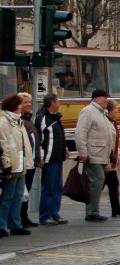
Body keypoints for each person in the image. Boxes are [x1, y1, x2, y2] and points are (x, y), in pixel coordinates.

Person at [75, 89, 116, 222]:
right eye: (105, 98)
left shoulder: (101, 113)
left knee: (98, 181)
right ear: (97, 99)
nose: (107, 100)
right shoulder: (88, 111)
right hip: (92, 154)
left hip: (101, 154)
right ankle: (92, 212)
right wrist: (82, 151)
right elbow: (81, 132)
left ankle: (93, 210)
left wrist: (111, 154)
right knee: (98, 180)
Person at [0, 94, 34, 237]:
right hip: (12, 164)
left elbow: (25, 145)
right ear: (15, 106)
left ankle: (15, 224)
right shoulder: (4, 122)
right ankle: (2, 225)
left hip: (21, 163)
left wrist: (28, 163)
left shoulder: (18, 122)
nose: (24, 106)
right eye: (22, 103)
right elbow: (4, 144)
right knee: (7, 196)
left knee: (18, 196)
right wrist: (6, 164)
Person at [35, 93, 69, 225]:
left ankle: (55, 213)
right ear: (52, 103)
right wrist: (40, 157)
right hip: (48, 158)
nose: (59, 103)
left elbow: (59, 136)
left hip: (57, 157)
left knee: (57, 187)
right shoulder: (42, 118)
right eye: (58, 101)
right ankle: (45, 215)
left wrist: (64, 149)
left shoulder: (55, 117)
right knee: (48, 188)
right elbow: (40, 139)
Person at [17, 92, 42, 229]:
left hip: (31, 162)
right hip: (23, 163)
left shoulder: (29, 121)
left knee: (26, 190)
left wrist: (38, 158)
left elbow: (34, 142)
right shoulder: (21, 122)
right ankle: (20, 218)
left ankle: (24, 217)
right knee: (22, 192)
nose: (29, 104)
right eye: (25, 102)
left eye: (30, 101)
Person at [103, 99, 120, 217]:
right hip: (104, 159)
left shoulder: (113, 122)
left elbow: (115, 142)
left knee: (113, 183)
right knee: (98, 186)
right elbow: (107, 142)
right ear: (109, 111)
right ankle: (92, 211)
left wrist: (117, 155)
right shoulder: (106, 123)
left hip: (111, 159)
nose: (117, 111)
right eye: (116, 109)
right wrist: (107, 160)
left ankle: (116, 209)